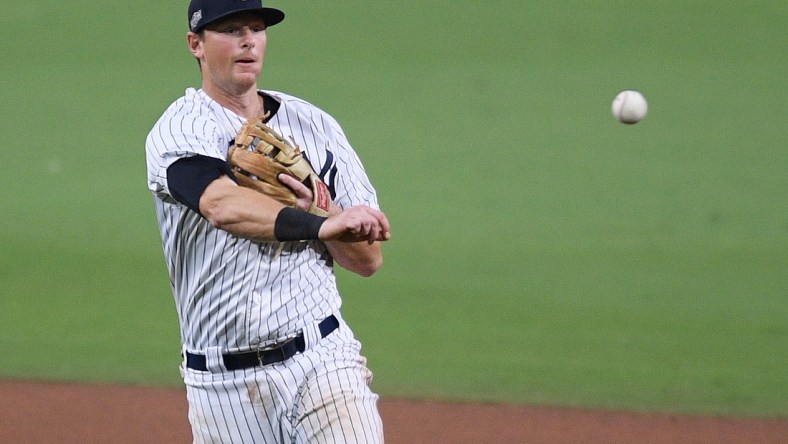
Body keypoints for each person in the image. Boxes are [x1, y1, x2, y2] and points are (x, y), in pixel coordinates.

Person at [145, 1, 391, 442]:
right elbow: (220, 204)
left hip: (323, 360)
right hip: (223, 389)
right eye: (230, 29)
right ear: (195, 44)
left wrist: (329, 213)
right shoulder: (180, 130)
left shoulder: (315, 127)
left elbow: (368, 260)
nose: (247, 41)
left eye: (256, 29)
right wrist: (315, 225)